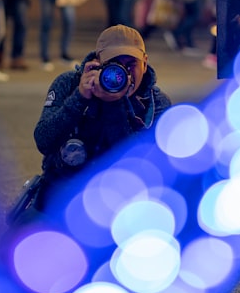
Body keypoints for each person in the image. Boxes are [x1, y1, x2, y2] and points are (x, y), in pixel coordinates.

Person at [26, 24, 172, 216]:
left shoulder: (157, 104)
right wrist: (79, 98)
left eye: (131, 65)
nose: (124, 75)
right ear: (98, 62)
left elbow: (135, 163)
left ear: (145, 63)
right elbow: (44, 141)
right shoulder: (69, 83)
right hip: (64, 187)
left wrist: (113, 104)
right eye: (115, 65)